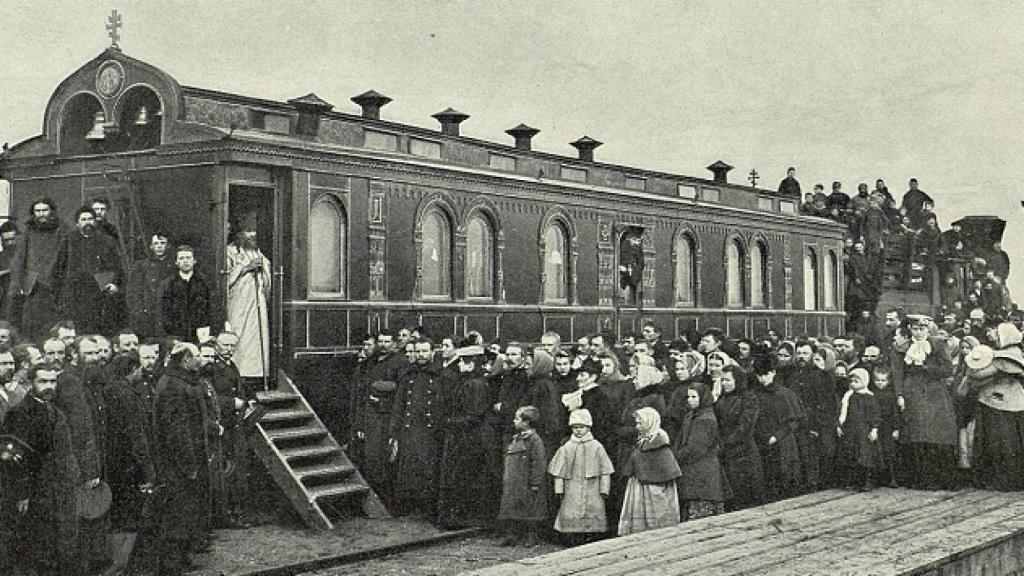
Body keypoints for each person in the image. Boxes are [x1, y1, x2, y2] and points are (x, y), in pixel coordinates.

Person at [0, 362, 81, 576]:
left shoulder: (54, 410)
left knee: (57, 544)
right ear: (31, 384)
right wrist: (22, 493)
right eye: (43, 381)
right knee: (34, 547)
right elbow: (13, 457)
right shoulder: (21, 413)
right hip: (34, 491)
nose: (49, 386)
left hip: (57, 488)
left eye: (53, 381)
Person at [388, 337, 453, 515]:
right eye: (417, 351)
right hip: (410, 429)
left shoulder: (443, 375)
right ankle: (409, 505)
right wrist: (394, 430)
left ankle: (428, 507)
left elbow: (448, 405)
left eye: (424, 351)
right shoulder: (408, 375)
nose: (421, 355)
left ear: (433, 352)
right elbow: (399, 405)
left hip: (431, 431)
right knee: (409, 469)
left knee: (429, 469)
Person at [436, 345, 494, 529]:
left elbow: (474, 415)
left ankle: (459, 517)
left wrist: (450, 422)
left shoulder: (474, 384)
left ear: (472, 363)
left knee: (462, 475)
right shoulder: (472, 381)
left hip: (468, 438)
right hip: (466, 436)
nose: (459, 364)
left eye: (463, 361)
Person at [896, 315, 956, 489]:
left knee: (935, 435)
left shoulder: (937, 345)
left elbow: (947, 369)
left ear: (928, 330)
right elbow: (898, 372)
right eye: (915, 329)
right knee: (916, 434)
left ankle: (937, 478)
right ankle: (918, 478)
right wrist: (900, 394)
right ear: (910, 330)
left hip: (935, 393)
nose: (919, 332)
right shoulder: (902, 347)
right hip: (912, 392)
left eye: (922, 329)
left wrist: (926, 368)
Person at [53, 206, 126, 335]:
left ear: (95, 221)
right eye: (84, 219)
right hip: (75, 294)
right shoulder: (68, 241)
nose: (87, 222)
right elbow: (59, 268)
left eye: (90, 219)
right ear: (77, 223)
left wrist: (115, 283)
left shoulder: (106, 241)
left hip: (99, 293)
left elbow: (117, 266)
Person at [548, 408, 614, 543]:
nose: (578, 430)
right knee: (571, 510)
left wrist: (604, 489)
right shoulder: (567, 447)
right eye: (575, 427)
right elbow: (558, 471)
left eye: (581, 427)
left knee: (593, 510)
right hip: (572, 486)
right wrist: (559, 489)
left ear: (588, 427)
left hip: (593, 486)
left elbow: (605, 470)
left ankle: (591, 535)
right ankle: (573, 537)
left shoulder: (597, 447)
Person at [617, 406, 681, 535]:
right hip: (638, 485)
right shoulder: (642, 441)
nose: (638, 426)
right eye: (637, 423)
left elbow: (667, 469)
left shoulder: (660, 444)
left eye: (641, 423)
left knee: (657, 513)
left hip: (654, 487)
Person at [7, 198, 66, 338]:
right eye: (37, 211)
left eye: (44, 210)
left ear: (51, 211)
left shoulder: (62, 231)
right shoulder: (28, 233)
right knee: (31, 325)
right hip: (32, 287)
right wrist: (19, 285)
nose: (41, 214)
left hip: (54, 286)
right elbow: (20, 259)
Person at [226, 213, 271, 383]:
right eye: (248, 231)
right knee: (239, 335)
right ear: (239, 234)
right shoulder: (230, 251)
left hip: (256, 302)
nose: (252, 235)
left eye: (254, 231)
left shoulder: (257, 252)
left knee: (256, 339)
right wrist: (245, 268)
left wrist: (264, 268)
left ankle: (257, 374)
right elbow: (225, 279)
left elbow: (267, 276)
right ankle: (239, 373)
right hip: (238, 303)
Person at [673, 382, 728, 520]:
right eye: (688, 397)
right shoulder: (692, 415)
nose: (690, 400)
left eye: (694, 397)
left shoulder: (705, 419)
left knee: (701, 516)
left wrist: (675, 457)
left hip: (702, 475)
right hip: (694, 473)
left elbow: (695, 449)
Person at [752, 354, 802, 502]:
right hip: (762, 440)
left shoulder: (785, 394)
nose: (762, 379)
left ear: (773, 372)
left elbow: (793, 421)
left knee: (784, 476)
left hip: (783, 442)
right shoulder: (756, 393)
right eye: (758, 375)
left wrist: (776, 436)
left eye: (765, 375)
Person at [497, 405, 547, 547]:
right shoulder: (516, 438)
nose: (514, 421)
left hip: (526, 482)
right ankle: (511, 535)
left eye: (517, 418)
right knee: (511, 508)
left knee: (531, 511)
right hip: (514, 482)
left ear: (526, 422)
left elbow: (539, 462)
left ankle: (532, 536)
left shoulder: (535, 440)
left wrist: (535, 482)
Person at [715, 365, 764, 510]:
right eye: (722, 380)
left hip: (743, 452)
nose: (724, 384)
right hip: (726, 452)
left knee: (746, 492)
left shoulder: (748, 398)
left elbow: (745, 427)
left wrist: (726, 442)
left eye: (728, 380)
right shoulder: (722, 399)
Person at [837, 368, 883, 491]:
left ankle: (867, 481)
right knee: (851, 454)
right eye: (851, 381)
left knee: (865, 455)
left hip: (864, 431)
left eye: (857, 381)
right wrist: (840, 425)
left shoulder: (869, 398)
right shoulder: (848, 397)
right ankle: (853, 480)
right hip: (851, 430)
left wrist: (874, 429)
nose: (853, 383)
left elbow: (875, 415)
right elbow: (843, 413)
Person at [127, 233, 176, 338]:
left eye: (162, 243)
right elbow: (134, 291)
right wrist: (139, 310)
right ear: (151, 246)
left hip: (168, 312)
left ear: (168, 246)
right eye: (156, 243)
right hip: (148, 313)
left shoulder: (174, 266)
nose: (159, 246)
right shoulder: (141, 266)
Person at [160, 245, 212, 342]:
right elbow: (164, 312)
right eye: (181, 258)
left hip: (200, 333)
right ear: (176, 262)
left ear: (194, 261)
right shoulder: (168, 284)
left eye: (188, 258)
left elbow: (211, 308)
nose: (185, 261)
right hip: (176, 334)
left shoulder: (204, 282)